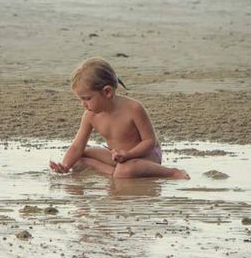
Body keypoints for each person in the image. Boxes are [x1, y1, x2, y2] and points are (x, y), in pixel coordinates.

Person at [49, 58, 190, 180]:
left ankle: (172, 173)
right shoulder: (90, 115)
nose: (83, 104)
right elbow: (77, 146)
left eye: (87, 99)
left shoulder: (133, 108)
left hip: (144, 157)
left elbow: (150, 142)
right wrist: (65, 166)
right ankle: (113, 172)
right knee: (78, 158)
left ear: (107, 92)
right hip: (117, 157)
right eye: (81, 99)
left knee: (125, 170)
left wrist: (129, 154)